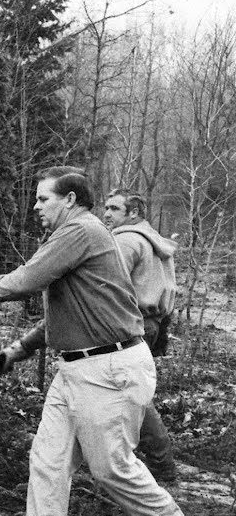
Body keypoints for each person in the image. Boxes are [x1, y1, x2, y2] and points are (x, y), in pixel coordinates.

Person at [0, 167, 195, 516]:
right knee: (48, 461)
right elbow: (63, 312)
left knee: (110, 466)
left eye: (43, 199)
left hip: (109, 368)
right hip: (75, 367)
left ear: (70, 200)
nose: (35, 207)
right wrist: (20, 349)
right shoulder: (77, 238)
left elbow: (29, 279)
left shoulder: (82, 231)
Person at [101, 190, 182, 482]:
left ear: (133, 213)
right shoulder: (153, 241)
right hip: (150, 322)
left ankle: (162, 466)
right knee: (124, 391)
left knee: (132, 394)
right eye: (105, 207)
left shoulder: (125, 241)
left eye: (114, 208)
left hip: (128, 323)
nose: (106, 214)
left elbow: (105, 286)